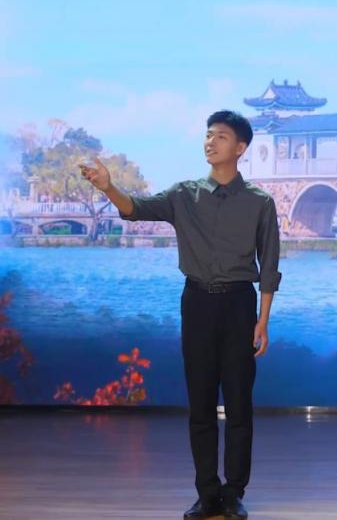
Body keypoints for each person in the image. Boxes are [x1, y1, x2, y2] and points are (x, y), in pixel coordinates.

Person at [79, 110, 281, 519]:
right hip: (197, 302)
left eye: (220, 136)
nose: (210, 142)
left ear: (240, 148)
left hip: (240, 305)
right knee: (201, 403)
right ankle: (207, 492)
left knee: (239, 404)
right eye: (208, 135)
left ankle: (233, 492)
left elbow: (270, 264)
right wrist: (108, 187)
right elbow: (135, 208)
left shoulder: (260, 202)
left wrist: (262, 320)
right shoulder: (184, 195)